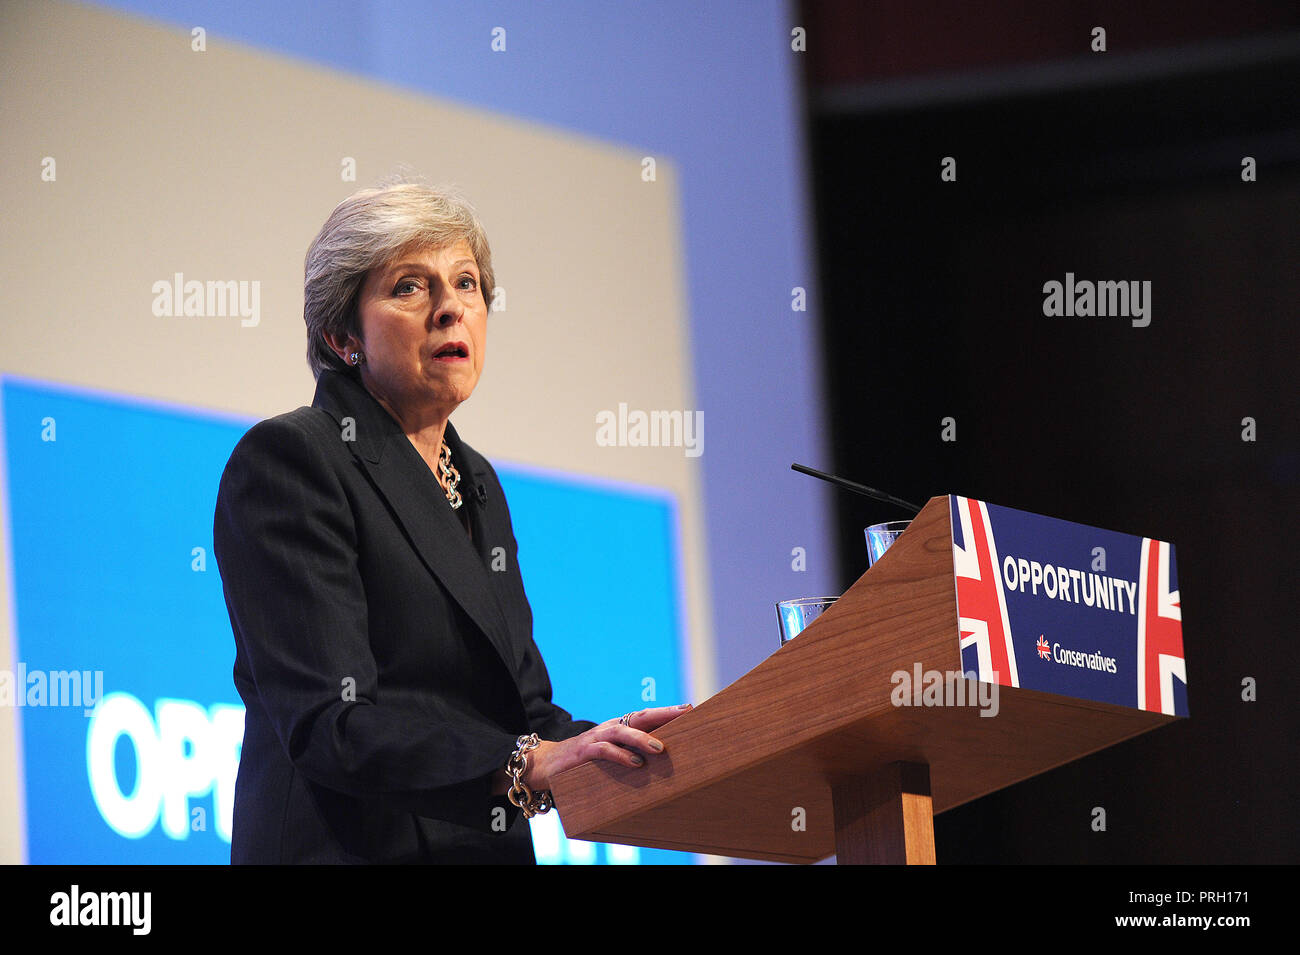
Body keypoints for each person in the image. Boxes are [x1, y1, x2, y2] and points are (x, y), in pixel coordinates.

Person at [213, 182, 690, 863]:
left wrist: (631, 748)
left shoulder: (478, 483)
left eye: (466, 283)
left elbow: (524, 713)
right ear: (342, 335)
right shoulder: (294, 460)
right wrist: (528, 764)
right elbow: (332, 725)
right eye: (410, 287)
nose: (450, 309)